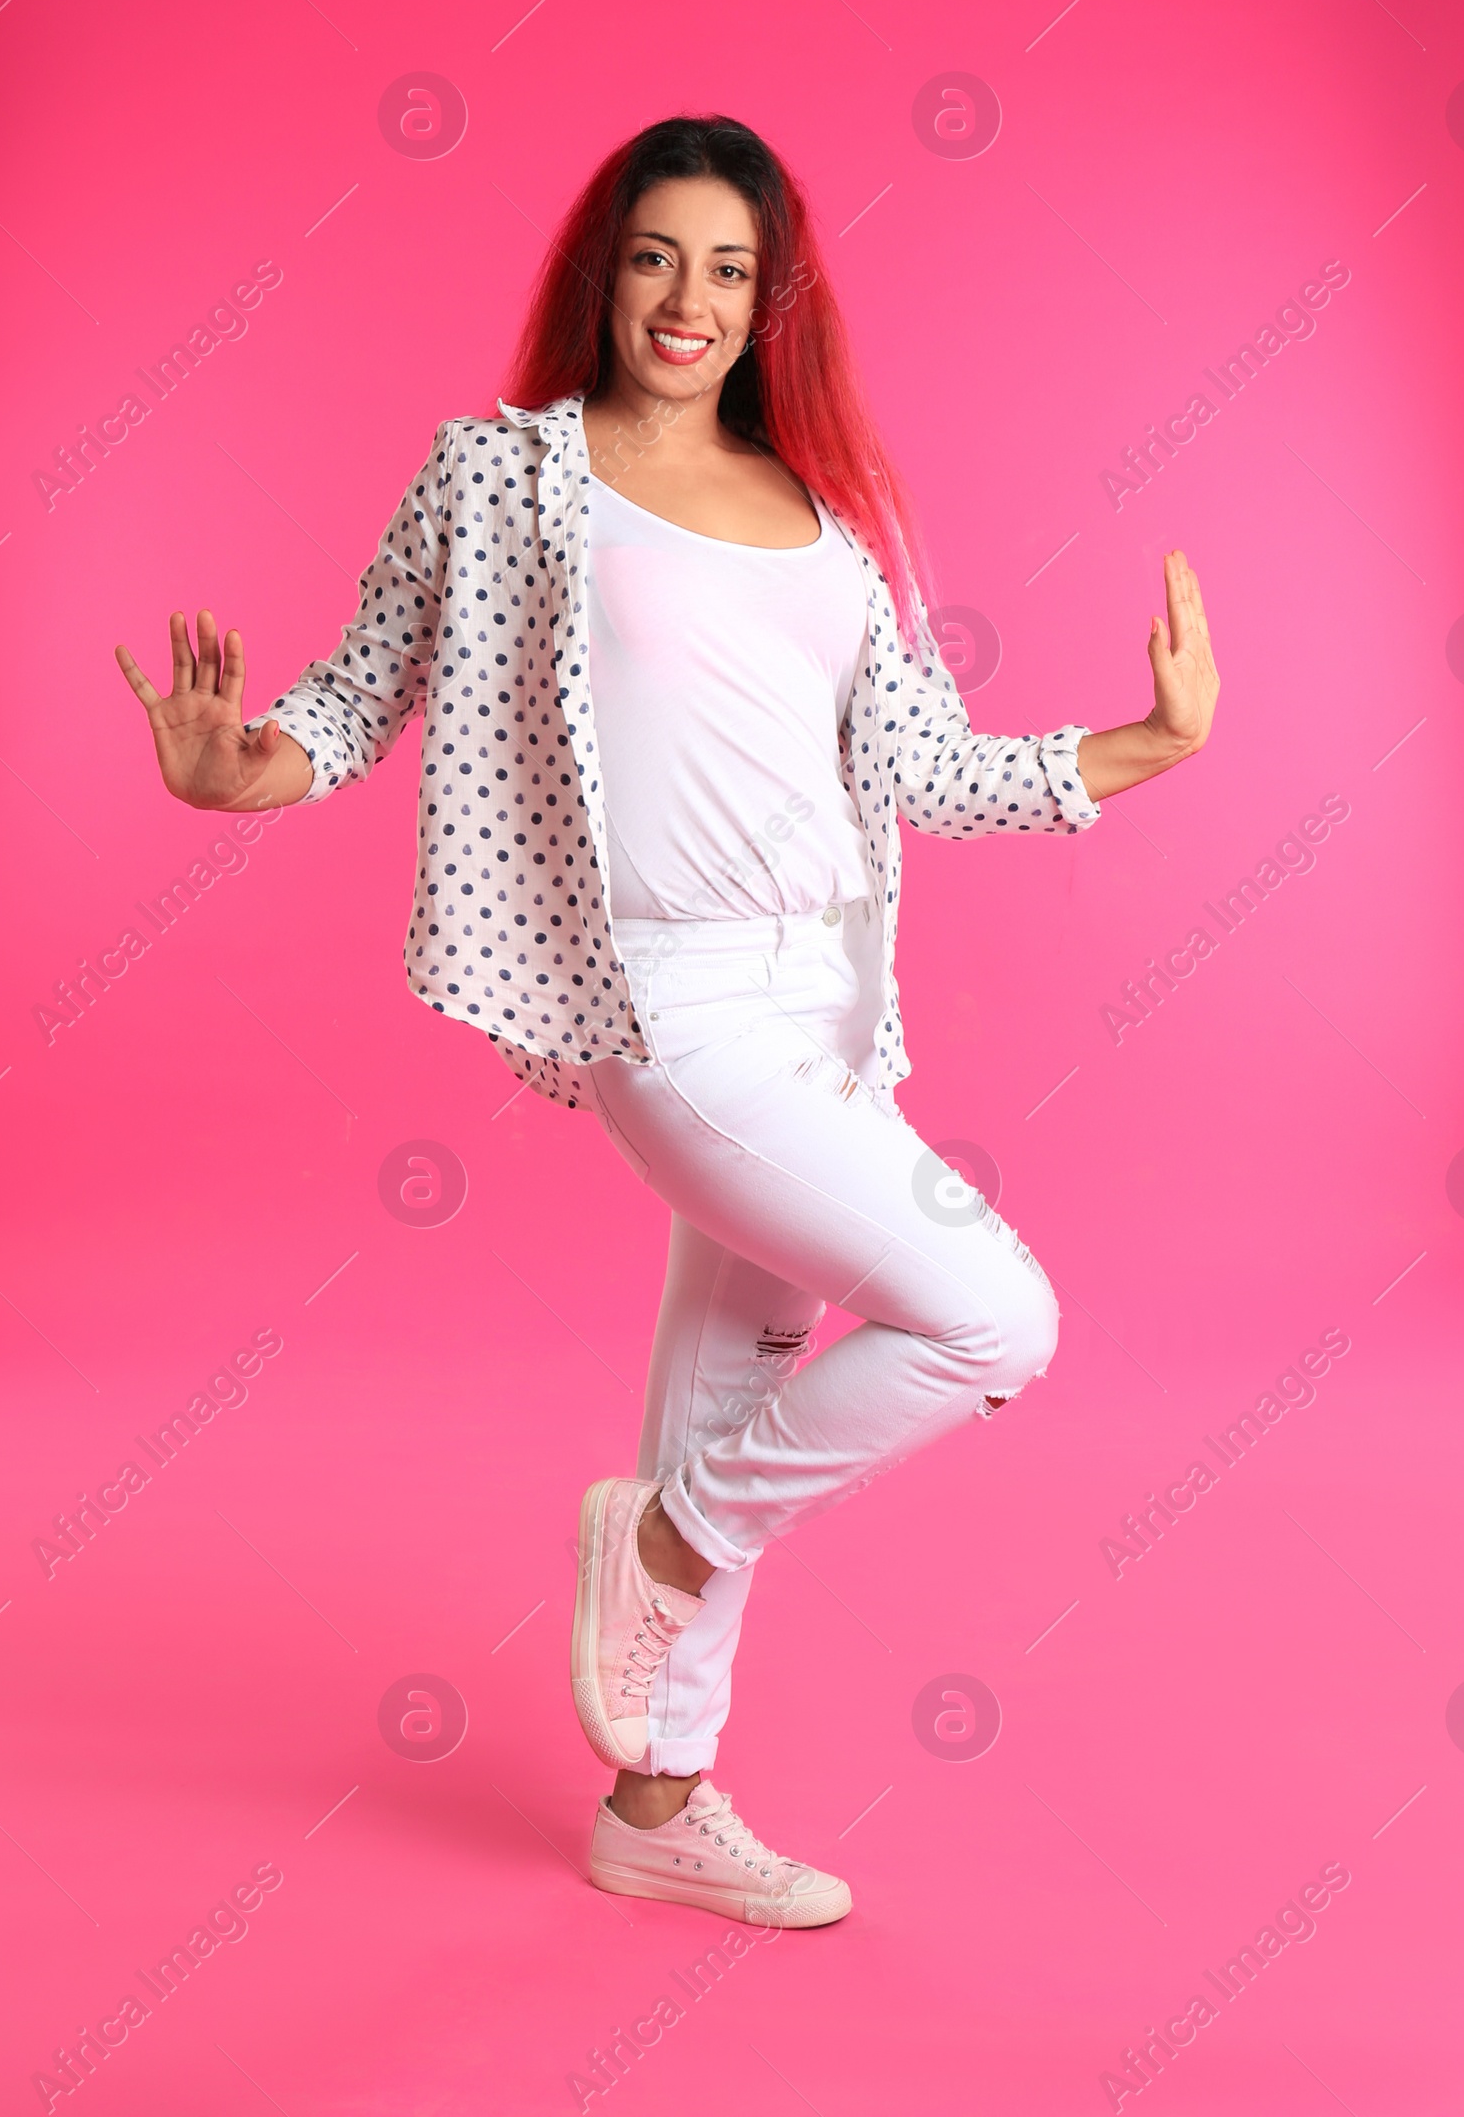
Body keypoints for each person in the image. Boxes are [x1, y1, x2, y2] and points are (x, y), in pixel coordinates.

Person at [115, 114, 1219, 1930]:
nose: (687, 302)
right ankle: (663, 1538)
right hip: (670, 1003)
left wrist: (1143, 745)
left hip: (828, 1002)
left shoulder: (840, 516)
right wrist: (238, 773)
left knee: (733, 1382)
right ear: (602, 275)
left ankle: (656, 1802)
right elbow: (360, 683)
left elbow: (926, 765)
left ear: (769, 302)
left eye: (726, 270)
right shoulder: (504, 479)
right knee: (991, 1315)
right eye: (654, 259)